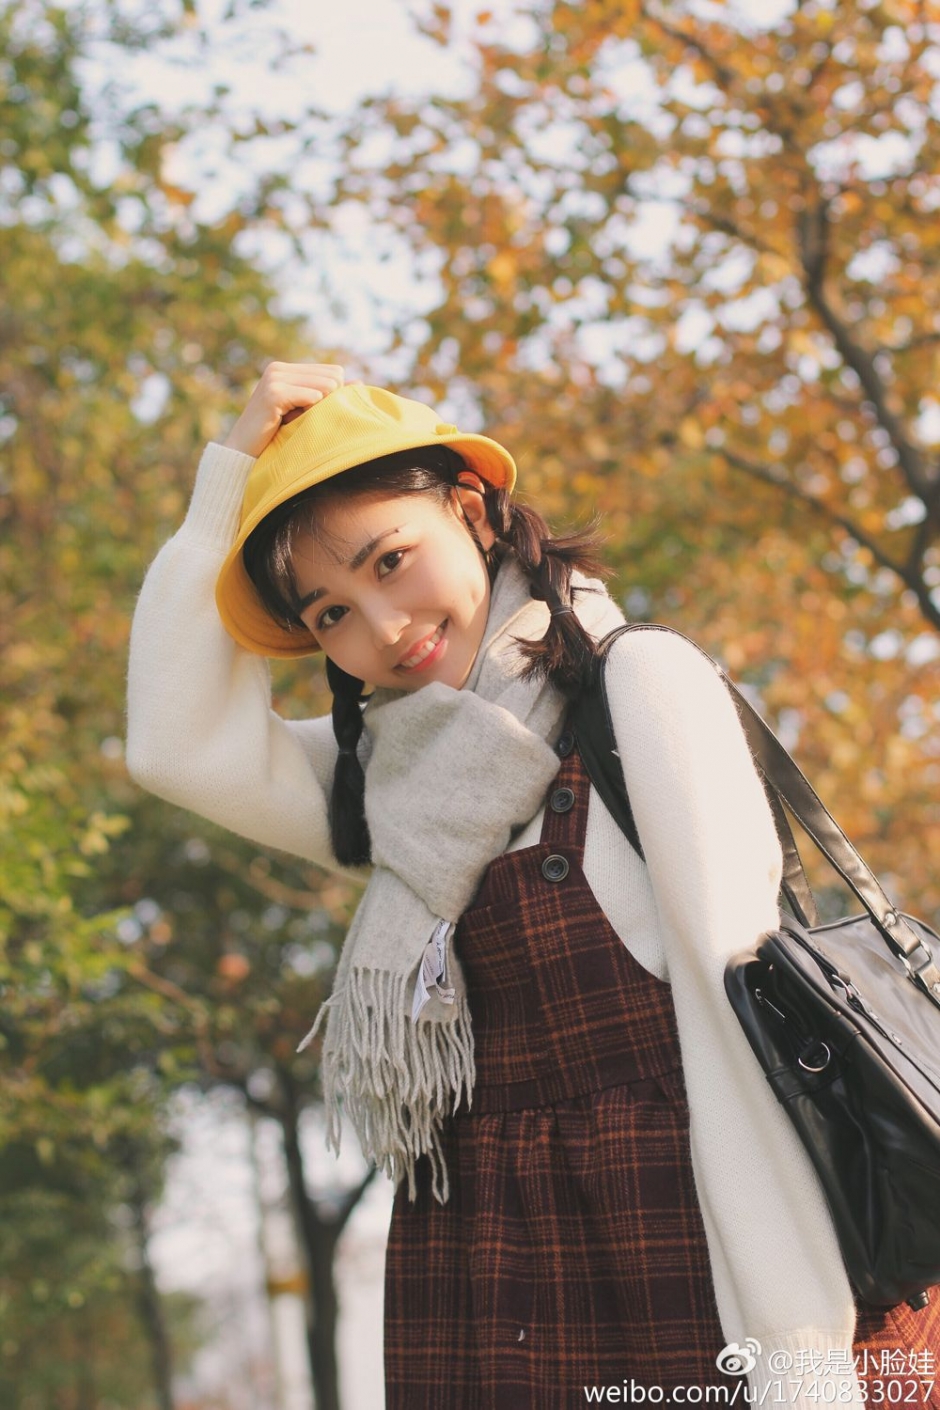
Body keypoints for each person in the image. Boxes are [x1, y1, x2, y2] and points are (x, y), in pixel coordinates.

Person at [126, 363, 940, 1410]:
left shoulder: (639, 685)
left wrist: (796, 1363)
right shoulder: (397, 773)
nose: (383, 629)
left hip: (699, 1268)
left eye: (392, 560)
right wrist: (223, 487)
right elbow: (175, 746)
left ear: (471, 508)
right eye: (330, 613)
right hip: (486, 1284)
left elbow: (739, 1047)